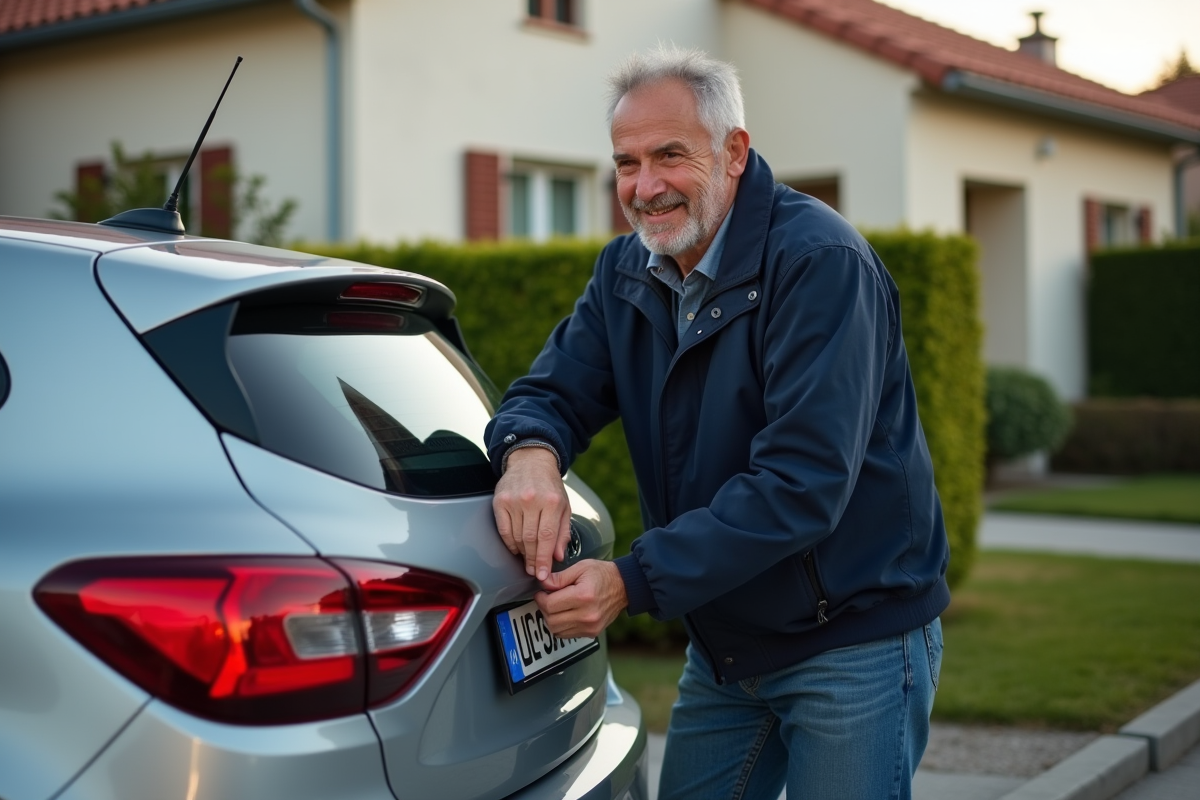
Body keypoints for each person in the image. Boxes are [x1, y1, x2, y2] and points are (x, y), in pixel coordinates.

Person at [485, 45, 948, 800]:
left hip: (852, 642)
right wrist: (530, 453)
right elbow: (550, 392)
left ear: (734, 152)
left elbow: (802, 482)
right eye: (626, 163)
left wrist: (632, 581)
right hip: (728, 646)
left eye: (670, 155)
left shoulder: (819, 262)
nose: (645, 186)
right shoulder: (626, 270)